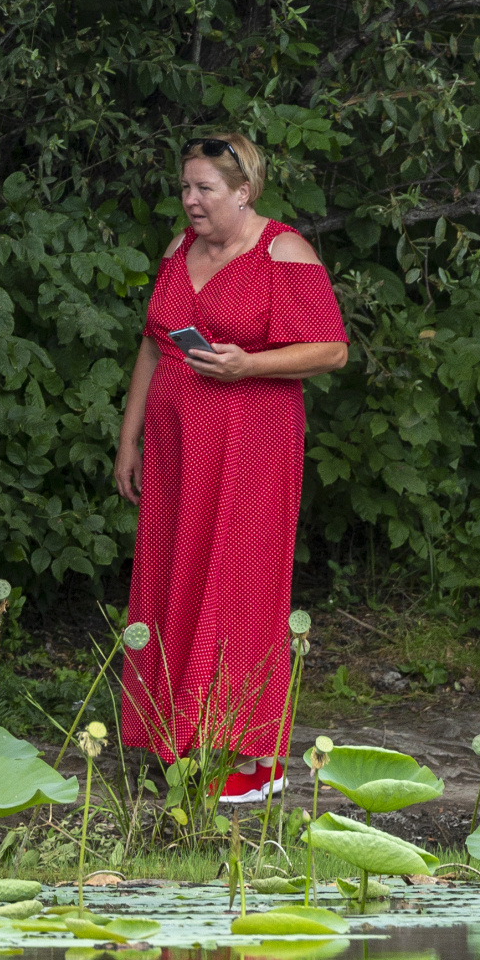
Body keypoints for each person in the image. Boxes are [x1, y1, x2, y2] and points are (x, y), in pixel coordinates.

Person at [112, 135, 349, 802]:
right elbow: (153, 350)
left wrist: (249, 364)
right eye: (185, 187)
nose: (190, 200)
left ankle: (248, 755)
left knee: (237, 580)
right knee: (173, 577)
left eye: (204, 188)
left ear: (243, 192)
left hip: (251, 443)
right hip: (175, 446)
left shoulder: (282, 251)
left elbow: (331, 350)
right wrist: (127, 441)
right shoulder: (176, 252)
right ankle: (178, 735)